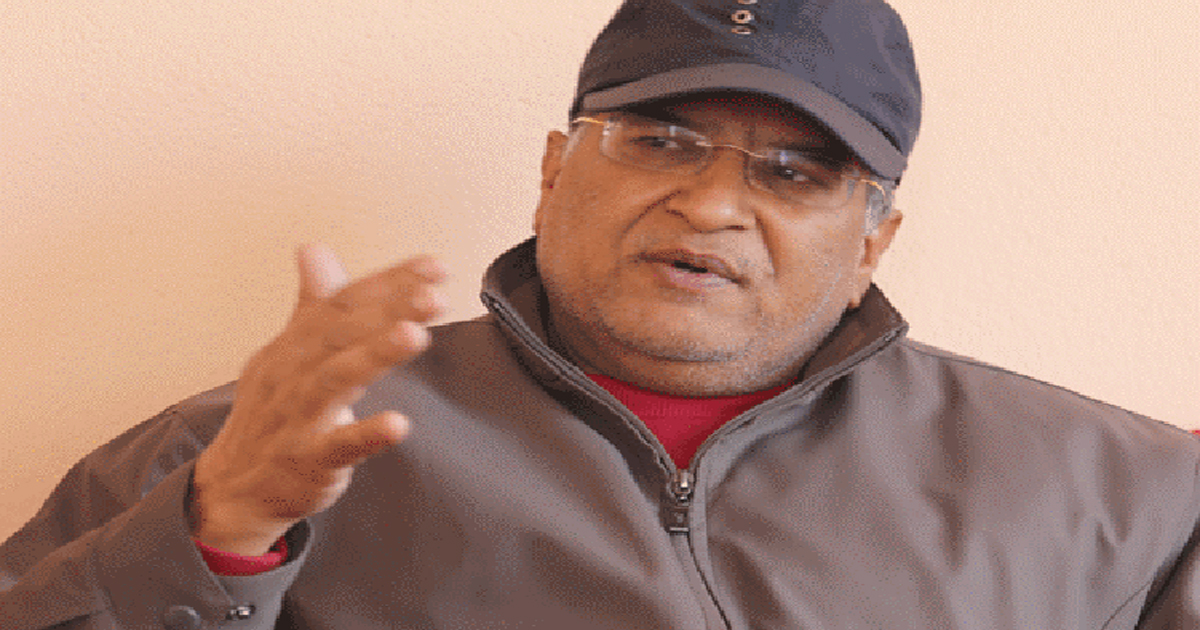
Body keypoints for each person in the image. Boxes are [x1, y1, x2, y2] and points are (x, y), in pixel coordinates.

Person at [2, 0, 1196, 627]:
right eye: (659, 140)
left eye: (794, 172)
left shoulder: (1125, 498)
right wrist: (216, 543)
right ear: (553, 170)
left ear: (872, 242)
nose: (711, 203)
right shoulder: (250, 453)